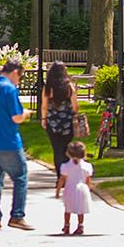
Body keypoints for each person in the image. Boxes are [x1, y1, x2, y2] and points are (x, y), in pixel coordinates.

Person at [0, 61, 33, 231]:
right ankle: (17, 216)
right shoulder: (9, 89)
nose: (19, 80)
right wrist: (26, 114)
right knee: (20, 177)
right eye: (20, 76)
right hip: (9, 141)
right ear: (15, 72)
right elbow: (16, 117)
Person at [40, 61, 78, 192]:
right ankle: (67, 176)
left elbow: (44, 105)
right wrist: (74, 115)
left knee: (57, 151)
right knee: (66, 150)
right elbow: (75, 105)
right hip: (67, 122)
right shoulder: (69, 87)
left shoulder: (48, 88)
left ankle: (59, 178)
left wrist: (44, 119)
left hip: (53, 122)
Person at [57, 141, 93, 235]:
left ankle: (66, 225)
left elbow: (62, 179)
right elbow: (88, 180)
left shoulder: (65, 166)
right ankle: (80, 225)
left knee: (67, 209)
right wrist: (88, 189)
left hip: (70, 189)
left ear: (68, 153)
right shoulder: (87, 166)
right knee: (80, 209)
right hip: (82, 189)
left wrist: (58, 191)